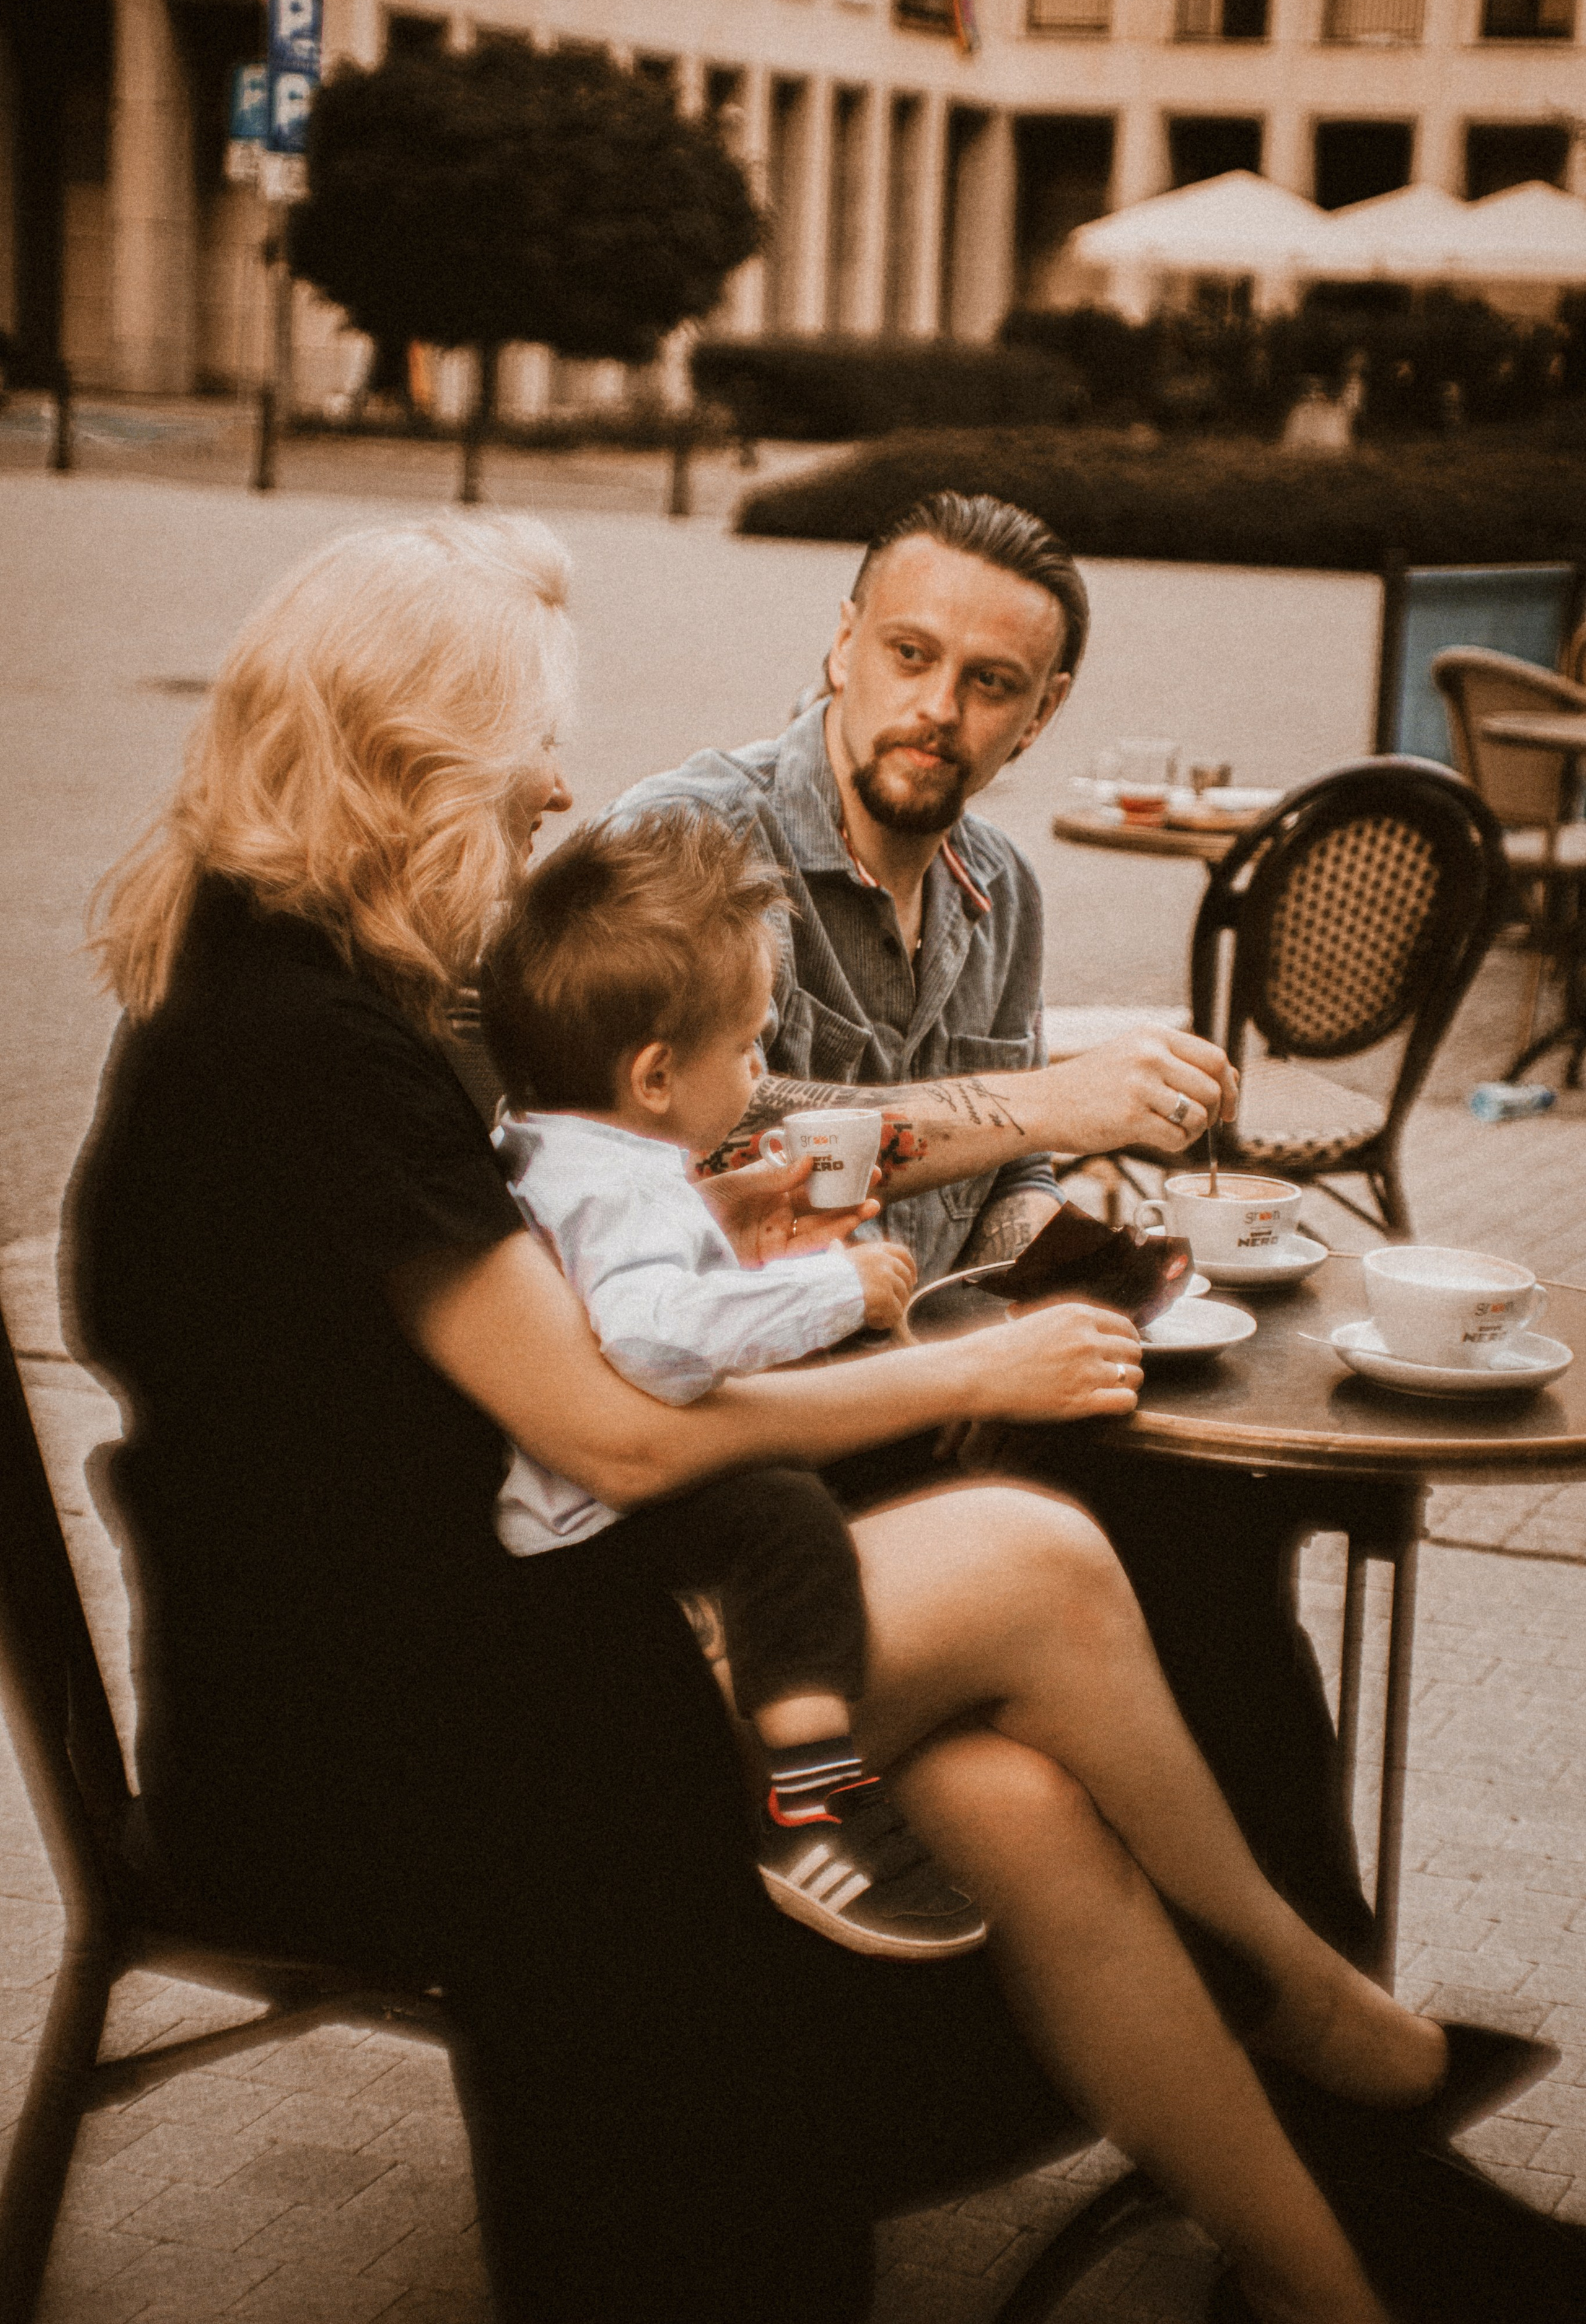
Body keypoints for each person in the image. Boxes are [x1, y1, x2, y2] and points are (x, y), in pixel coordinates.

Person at [67, 511, 1556, 2324]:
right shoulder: (305, 1045)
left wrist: (719, 1227)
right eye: (523, 742)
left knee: (1015, 1782)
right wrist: (972, 1369)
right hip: (380, 1741)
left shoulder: (288, 994)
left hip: (431, 1649)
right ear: (400, 763)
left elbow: (521, 1335)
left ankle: (1346, 2281)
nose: (553, 779)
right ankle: (1315, 2003)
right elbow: (607, 1436)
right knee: (1043, 1554)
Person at [615, 487, 1372, 1958]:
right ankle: (1291, 2000)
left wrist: (1050, 1237)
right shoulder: (697, 844)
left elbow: (1010, 1179)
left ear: (1042, 714)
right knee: (1180, 1554)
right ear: (839, 644)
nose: (933, 710)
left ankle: (1278, 1982)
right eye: (906, 655)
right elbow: (691, 1151)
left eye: (988, 685)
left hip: (931, 1402)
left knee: (1225, 1519)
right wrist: (1041, 1106)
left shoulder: (993, 890)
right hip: (743, 1453)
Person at [480, 805, 979, 1959]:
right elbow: (652, 1338)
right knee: (788, 1521)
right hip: (598, 1514)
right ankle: (811, 1797)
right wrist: (838, 1291)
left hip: (560, 1490)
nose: (759, 1074)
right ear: (656, 1075)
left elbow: (609, 1284)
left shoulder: (549, 1141)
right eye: (750, 1048)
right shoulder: (630, 1189)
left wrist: (722, 1227)